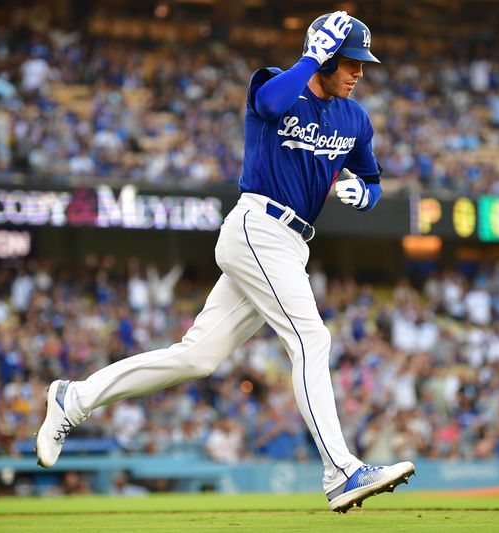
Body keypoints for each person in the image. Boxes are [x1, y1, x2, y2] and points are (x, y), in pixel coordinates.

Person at [36, 11, 415, 513]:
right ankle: (342, 471)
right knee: (311, 337)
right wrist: (311, 57)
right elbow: (271, 102)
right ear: (324, 54)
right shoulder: (278, 86)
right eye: (349, 61)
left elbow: (372, 179)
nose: (359, 72)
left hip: (291, 243)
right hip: (257, 225)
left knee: (198, 356)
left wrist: (362, 195)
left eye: (362, 64)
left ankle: (74, 398)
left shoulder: (355, 117)